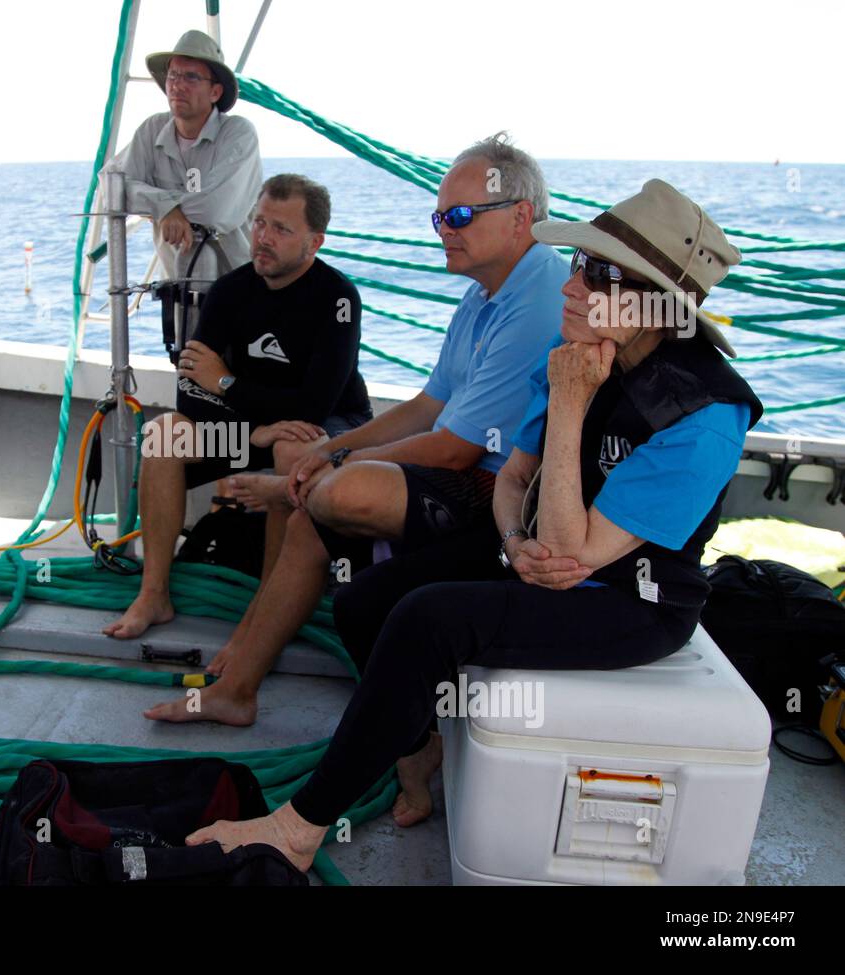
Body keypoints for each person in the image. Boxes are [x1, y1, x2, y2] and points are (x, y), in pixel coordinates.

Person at [184, 179, 764, 871]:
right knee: (366, 599)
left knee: (428, 619)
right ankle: (418, 743)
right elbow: (515, 476)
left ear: (658, 305)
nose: (573, 285)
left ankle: (301, 827)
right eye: (579, 264)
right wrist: (515, 542)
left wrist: (574, 404)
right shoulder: (576, 346)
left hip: (628, 599)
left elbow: (575, 551)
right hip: (539, 546)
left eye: (600, 273)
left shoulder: (703, 413)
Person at [142, 134, 568, 732]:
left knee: (333, 494)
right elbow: (428, 404)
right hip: (330, 447)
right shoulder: (485, 295)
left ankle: (275, 518)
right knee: (249, 461)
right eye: (440, 216)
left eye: (461, 216)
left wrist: (322, 458)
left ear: (521, 216)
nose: (444, 228)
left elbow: (452, 446)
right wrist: (326, 449)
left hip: (500, 492)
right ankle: (229, 681)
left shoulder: (536, 297)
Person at [103, 174, 372, 640]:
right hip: (248, 429)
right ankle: (154, 593)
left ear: (314, 243)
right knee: (165, 434)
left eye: (281, 229)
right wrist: (251, 432)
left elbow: (313, 405)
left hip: (333, 426)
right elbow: (190, 393)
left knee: (295, 447)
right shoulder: (229, 291)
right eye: (259, 222)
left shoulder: (338, 299)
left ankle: (267, 610)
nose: (263, 238)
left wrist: (226, 382)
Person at [103, 30, 262, 283]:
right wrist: (166, 208)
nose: (177, 85)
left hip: (240, 286)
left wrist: (161, 205)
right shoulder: (151, 130)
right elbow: (112, 186)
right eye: (173, 75)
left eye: (191, 77)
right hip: (177, 286)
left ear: (215, 92)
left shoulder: (238, 134)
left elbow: (214, 209)